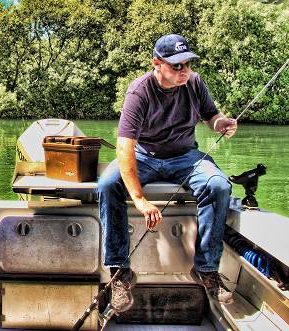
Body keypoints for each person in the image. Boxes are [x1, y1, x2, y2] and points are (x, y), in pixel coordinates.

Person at [98, 34, 237, 312]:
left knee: (219, 186)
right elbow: (125, 147)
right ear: (157, 64)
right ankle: (119, 272)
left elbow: (211, 115)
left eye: (187, 63)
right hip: (144, 155)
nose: (184, 70)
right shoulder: (140, 91)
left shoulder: (194, 82)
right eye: (176, 66)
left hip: (185, 156)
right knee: (107, 184)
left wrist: (222, 123)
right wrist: (139, 199)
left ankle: (206, 269)